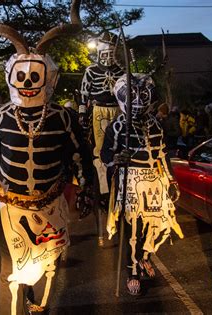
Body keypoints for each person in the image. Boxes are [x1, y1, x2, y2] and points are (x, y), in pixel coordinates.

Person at [0, 1, 94, 314]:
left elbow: (80, 156)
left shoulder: (62, 117)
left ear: (48, 76)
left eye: (35, 76)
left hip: (51, 206)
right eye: (23, 76)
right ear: (12, 76)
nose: (29, 83)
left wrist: (88, 187)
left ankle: (38, 306)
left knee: (47, 266)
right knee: (10, 273)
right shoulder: (0, 116)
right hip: (10, 209)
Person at [101, 73, 184, 296]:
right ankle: (132, 271)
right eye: (132, 95)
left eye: (143, 95)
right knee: (132, 230)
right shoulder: (116, 127)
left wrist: (171, 180)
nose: (138, 101)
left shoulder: (156, 125)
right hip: (129, 183)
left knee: (154, 225)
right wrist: (117, 160)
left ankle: (145, 257)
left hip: (154, 182)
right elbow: (105, 154)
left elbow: (162, 154)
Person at [79, 31, 124, 202]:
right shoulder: (91, 70)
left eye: (110, 53)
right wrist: (82, 113)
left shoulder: (122, 69)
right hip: (99, 110)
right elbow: (84, 92)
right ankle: (104, 187)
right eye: (104, 54)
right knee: (101, 148)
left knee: (119, 144)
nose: (107, 57)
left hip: (119, 110)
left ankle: (120, 182)